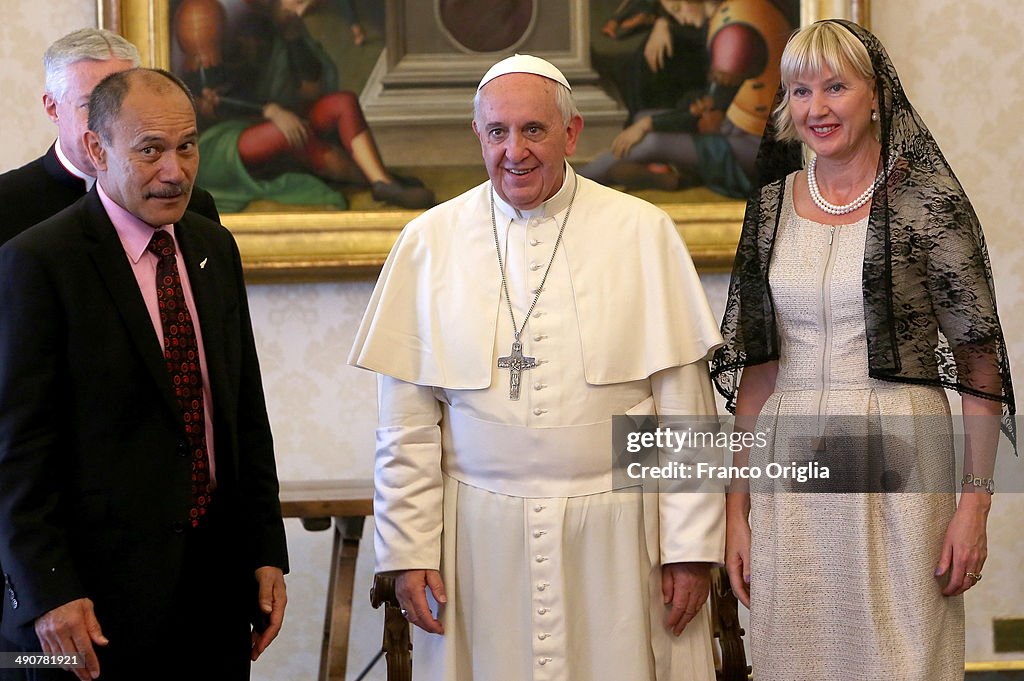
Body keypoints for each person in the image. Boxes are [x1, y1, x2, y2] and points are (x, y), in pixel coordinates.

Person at [350, 54, 725, 680]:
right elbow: (407, 424)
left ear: (571, 134)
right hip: (478, 538)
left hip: (618, 531)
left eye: (534, 130)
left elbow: (685, 408)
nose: (513, 151)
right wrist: (408, 548)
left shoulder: (641, 232)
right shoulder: (429, 241)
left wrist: (688, 550)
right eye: (497, 132)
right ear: (479, 136)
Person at [711, 20, 1015, 680]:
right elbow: (756, 375)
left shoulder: (926, 205)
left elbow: (978, 361)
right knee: (796, 658)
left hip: (903, 459)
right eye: (799, 91)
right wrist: (736, 512)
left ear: (874, 94)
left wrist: (974, 503)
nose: (816, 108)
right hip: (789, 473)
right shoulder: (768, 208)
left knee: (904, 656)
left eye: (835, 87)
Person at [0, 68, 289, 681]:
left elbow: (241, 407)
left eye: (186, 146)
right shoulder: (38, 262)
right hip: (90, 600)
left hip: (213, 586)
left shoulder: (213, 247)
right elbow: (15, 450)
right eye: (150, 150)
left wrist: (265, 548)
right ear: (98, 150)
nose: (174, 171)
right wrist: (47, 588)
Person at [173, 0, 434, 212]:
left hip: (280, 116)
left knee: (342, 102)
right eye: (298, 3)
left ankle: (381, 182)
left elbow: (311, 88)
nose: (302, 10)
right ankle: (373, 179)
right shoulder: (216, 19)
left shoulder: (281, 25)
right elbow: (209, 94)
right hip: (226, 137)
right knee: (293, 134)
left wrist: (293, 36)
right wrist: (270, 110)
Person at [0, 27, 219, 249]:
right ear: (53, 108)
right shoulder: (7, 203)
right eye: (91, 105)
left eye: (124, 106)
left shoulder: (190, 203)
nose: (108, 124)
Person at [581, 0, 793, 198]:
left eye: (677, 10)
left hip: (760, 148)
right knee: (643, 118)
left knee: (651, 140)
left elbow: (709, 115)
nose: (679, 20)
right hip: (739, 125)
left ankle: (579, 182)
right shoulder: (733, 11)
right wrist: (662, 23)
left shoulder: (733, 35)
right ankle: (671, 176)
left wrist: (647, 126)